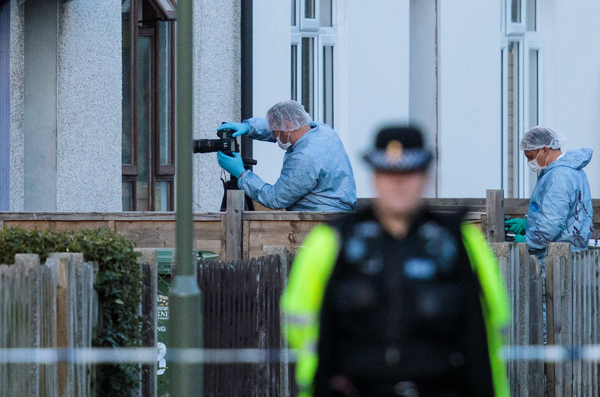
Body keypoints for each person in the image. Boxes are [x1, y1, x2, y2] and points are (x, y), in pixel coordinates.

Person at [282, 125, 510, 397]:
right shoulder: (332, 241)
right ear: (374, 177)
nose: (398, 183)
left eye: (409, 173)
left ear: (426, 177)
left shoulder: (460, 243)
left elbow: (489, 333)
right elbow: (302, 325)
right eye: (388, 173)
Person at [216, 100, 356, 211]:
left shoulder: (304, 158)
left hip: (318, 219)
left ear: (288, 126)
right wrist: (249, 127)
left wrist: (241, 175)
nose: (274, 136)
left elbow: (275, 198)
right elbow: (278, 127)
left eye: (275, 131)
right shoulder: (321, 130)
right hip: (337, 208)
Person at [505, 125, 593, 263]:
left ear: (545, 150)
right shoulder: (572, 170)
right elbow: (563, 216)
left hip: (555, 260)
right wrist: (528, 224)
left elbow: (550, 223)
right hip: (571, 255)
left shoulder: (559, 176)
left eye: (530, 157)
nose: (529, 162)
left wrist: (527, 242)